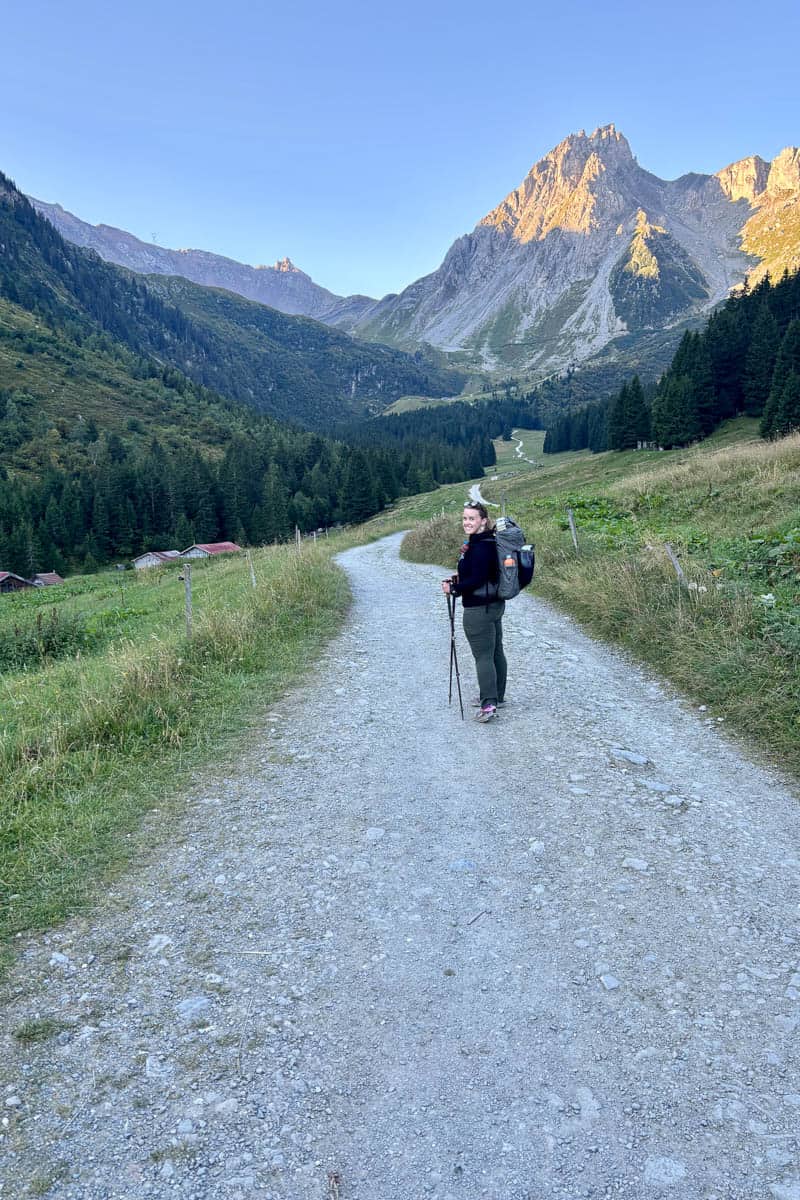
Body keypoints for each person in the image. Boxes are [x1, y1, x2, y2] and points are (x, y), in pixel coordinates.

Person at [441, 501, 507, 723]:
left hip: (479, 609)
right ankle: (497, 695)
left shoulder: (479, 547)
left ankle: (488, 704)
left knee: (483, 656)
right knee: (496, 650)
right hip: (495, 604)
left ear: (483, 521)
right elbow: (481, 574)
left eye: (472, 518)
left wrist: (455, 588)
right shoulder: (488, 541)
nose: (467, 522)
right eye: (464, 518)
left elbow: (477, 578)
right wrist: (460, 578)